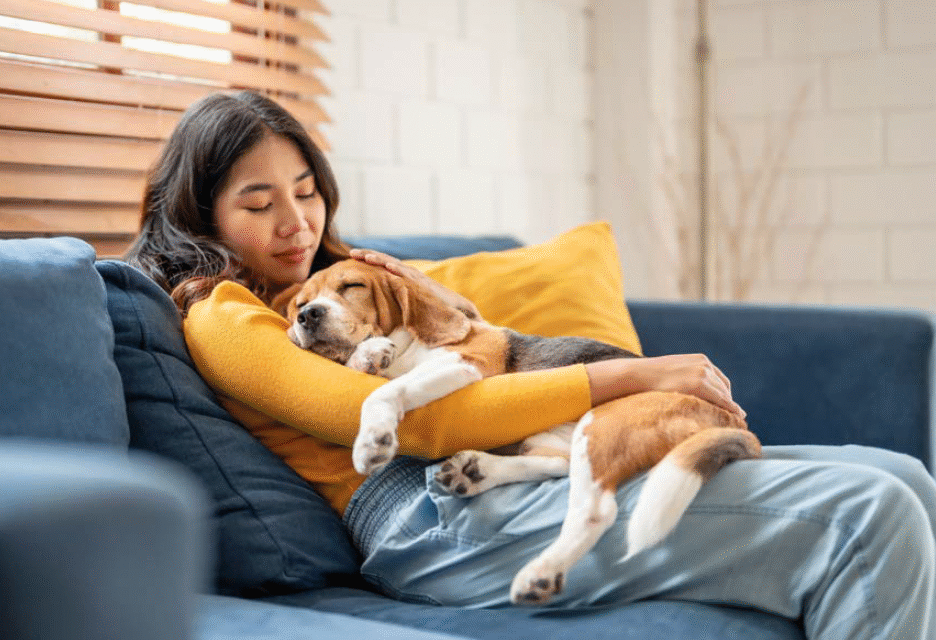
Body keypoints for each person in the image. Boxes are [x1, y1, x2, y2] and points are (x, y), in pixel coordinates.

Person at [125, 90, 935, 639]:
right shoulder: (223, 314)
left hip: (521, 467)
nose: (298, 222)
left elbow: (471, 342)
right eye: (259, 205)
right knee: (871, 516)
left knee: (908, 477)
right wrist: (636, 373)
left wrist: (417, 290)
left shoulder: (340, 280)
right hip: (430, 516)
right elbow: (422, 423)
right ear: (201, 216)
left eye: (307, 192)